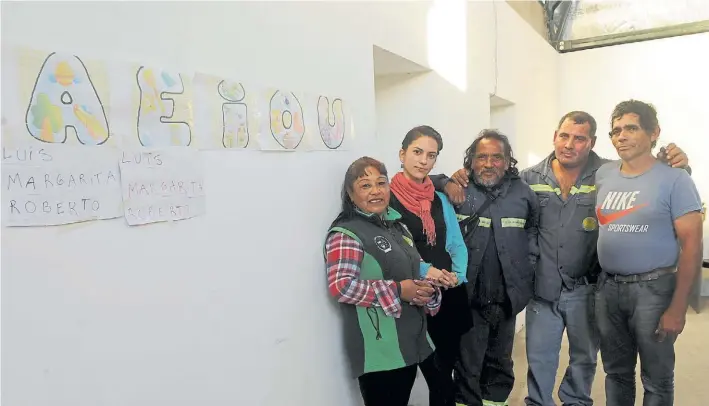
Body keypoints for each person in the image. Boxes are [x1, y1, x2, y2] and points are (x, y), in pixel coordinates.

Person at [442, 113, 690, 406]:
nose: (569, 144)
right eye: (564, 136)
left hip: (587, 289)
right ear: (554, 136)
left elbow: (648, 178)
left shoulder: (610, 174)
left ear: (593, 142)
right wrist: (451, 177)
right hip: (541, 289)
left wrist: (680, 164)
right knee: (539, 358)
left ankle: (576, 401)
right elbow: (491, 181)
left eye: (579, 138)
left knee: (584, 359)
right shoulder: (528, 179)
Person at [594, 100, 703, 406]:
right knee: (616, 372)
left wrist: (678, 307)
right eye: (615, 131)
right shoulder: (604, 174)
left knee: (656, 378)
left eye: (631, 128)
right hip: (608, 289)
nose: (621, 137)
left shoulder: (676, 179)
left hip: (654, 291)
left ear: (654, 133)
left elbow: (693, 246)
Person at [324, 156, 447, 406]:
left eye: (381, 183)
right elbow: (341, 286)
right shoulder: (346, 233)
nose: (376, 191)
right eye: (365, 185)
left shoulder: (397, 227)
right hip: (379, 350)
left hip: (409, 342)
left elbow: (414, 272)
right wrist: (399, 290)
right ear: (350, 193)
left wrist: (427, 291)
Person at [430, 130, 540, 406]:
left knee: (500, 366)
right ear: (471, 160)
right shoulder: (459, 189)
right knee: (467, 367)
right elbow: (419, 182)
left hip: (507, 299)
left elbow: (533, 234)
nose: (488, 164)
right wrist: (444, 181)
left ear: (507, 161)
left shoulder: (523, 193)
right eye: (482, 157)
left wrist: (527, 274)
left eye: (496, 157)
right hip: (468, 297)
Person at [388, 125, 470, 406]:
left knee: (443, 377)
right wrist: (428, 272)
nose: (423, 160)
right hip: (413, 298)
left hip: (448, 295)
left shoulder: (441, 198)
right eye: (417, 152)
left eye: (431, 155)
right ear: (402, 153)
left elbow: (456, 242)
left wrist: (457, 276)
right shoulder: (386, 199)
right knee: (405, 377)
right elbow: (396, 250)